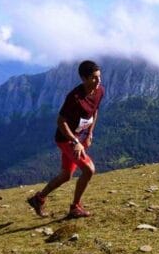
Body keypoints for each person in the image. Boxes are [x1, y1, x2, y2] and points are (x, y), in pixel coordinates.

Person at [27, 60, 104, 219]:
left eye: (99, 76)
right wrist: (75, 142)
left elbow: (95, 111)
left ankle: (38, 199)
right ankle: (75, 207)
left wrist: (90, 133)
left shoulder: (99, 91)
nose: (98, 81)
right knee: (89, 170)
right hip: (66, 139)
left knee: (66, 175)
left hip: (80, 137)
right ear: (84, 78)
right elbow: (61, 121)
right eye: (94, 77)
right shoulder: (74, 97)